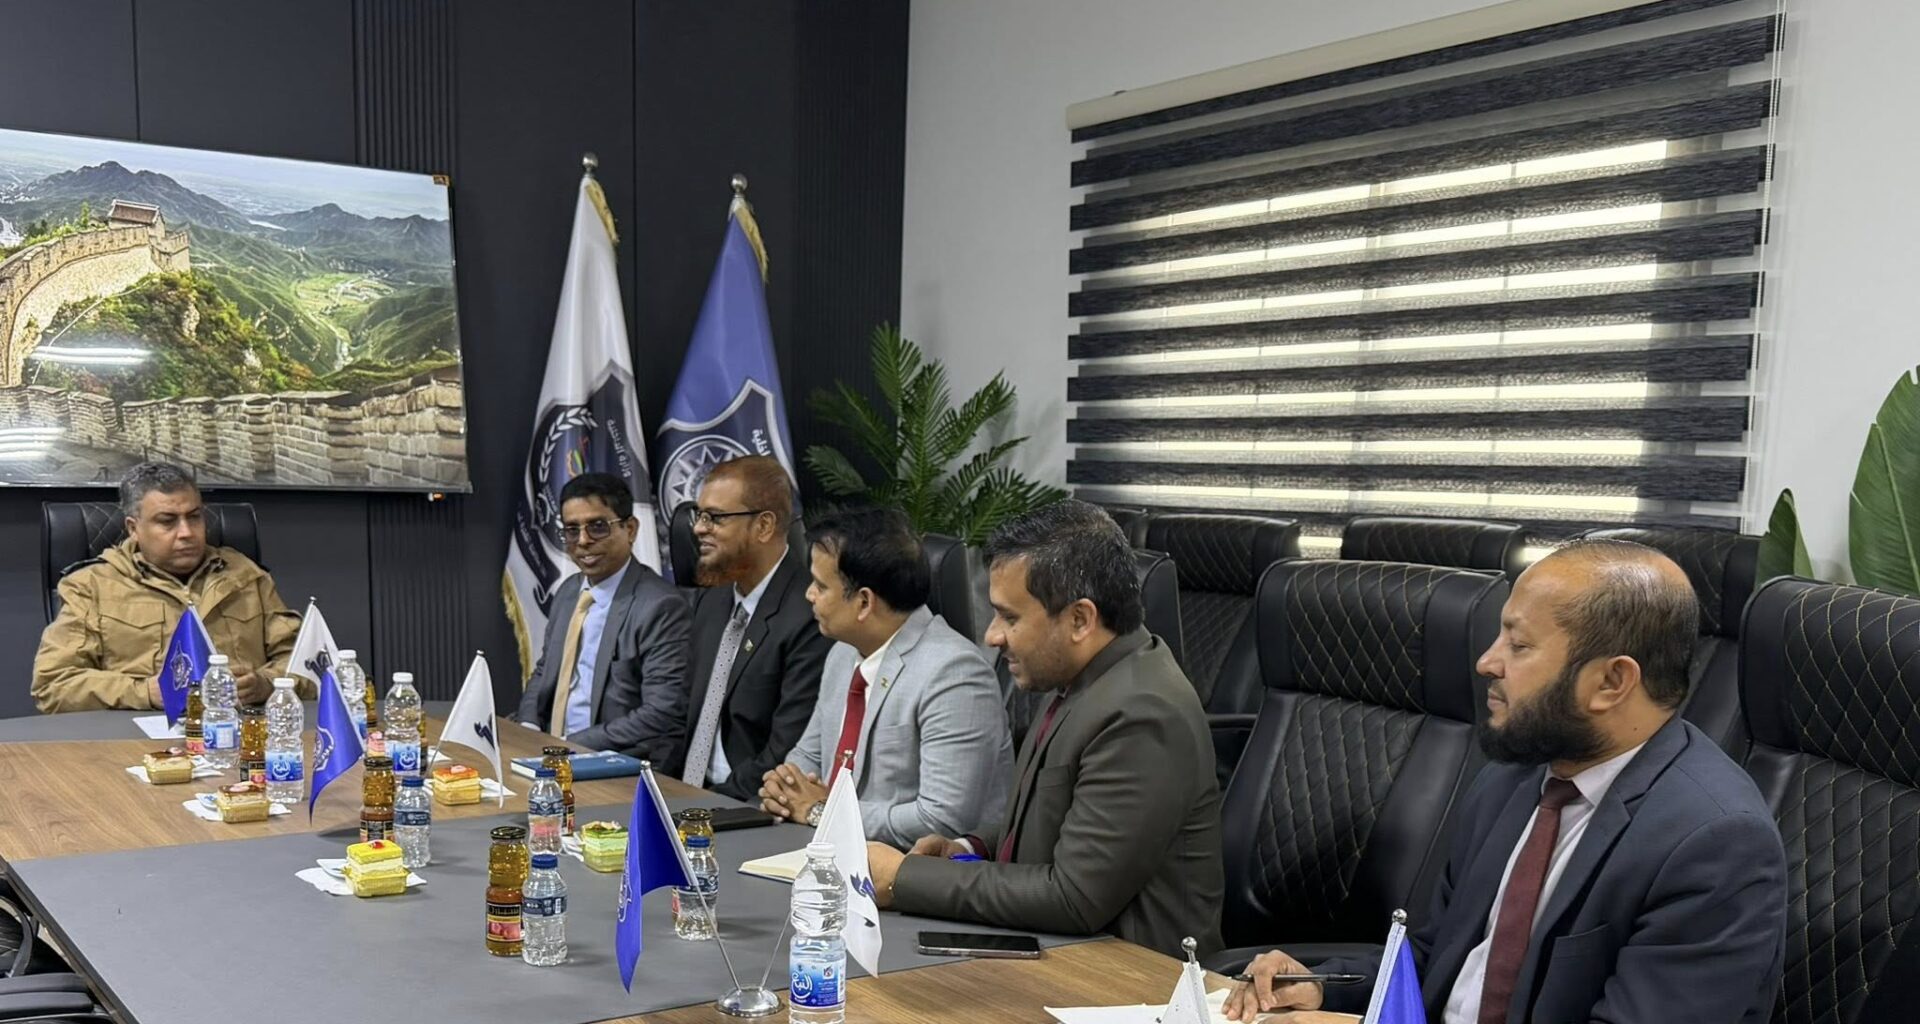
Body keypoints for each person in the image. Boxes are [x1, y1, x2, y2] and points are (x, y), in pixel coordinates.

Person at [1225, 540, 1787, 1024]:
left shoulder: (1716, 844)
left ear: (1612, 681)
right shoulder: (1512, 782)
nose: (1487, 663)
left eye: (1518, 646)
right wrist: (1325, 986)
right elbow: (1438, 956)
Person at [864, 500, 1224, 958]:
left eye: (1010, 617)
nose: (993, 636)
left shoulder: (1142, 711)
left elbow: (1074, 897)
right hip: (1055, 955)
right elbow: (1054, 820)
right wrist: (969, 846)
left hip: (1129, 982)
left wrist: (903, 878)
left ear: (1080, 619)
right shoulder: (1083, 678)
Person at [758, 506, 1012, 849]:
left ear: (864, 602)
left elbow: (942, 819)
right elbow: (807, 757)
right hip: (830, 857)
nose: (809, 595)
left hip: (915, 880)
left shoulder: (955, 675)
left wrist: (822, 811)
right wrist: (784, 789)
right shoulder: (843, 653)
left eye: (820, 585)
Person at [33, 462, 303, 712]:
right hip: (136, 741)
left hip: (239, 737)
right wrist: (145, 692)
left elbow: (308, 665)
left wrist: (266, 683)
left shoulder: (246, 576)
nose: (186, 532)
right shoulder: (91, 586)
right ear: (133, 528)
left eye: (194, 517)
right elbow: (54, 685)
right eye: (167, 521)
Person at [669, 455, 833, 801]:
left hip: (749, 807)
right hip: (688, 795)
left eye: (715, 517)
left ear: (764, 526)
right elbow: (682, 712)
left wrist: (700, 806)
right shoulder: (710, 599)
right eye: (700, 516)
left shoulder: (810, 614)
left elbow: (785, 753)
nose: (698, 528)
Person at [515, 473, 690, 761]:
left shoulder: (660, 606)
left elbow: (662, 712)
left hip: (613, 759)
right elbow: (545, 671)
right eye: (572, 529)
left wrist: (568, 745)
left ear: (630, 529)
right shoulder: (569, 593)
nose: (582, 541)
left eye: (597, 527)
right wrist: (529, 726)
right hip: (550, 752)